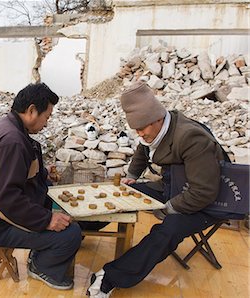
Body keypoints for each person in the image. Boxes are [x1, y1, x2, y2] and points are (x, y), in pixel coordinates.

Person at [88, 81, 235, 297]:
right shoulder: (154, 129)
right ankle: (77, 232)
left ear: (157, 118)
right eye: (136, 130)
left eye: (142, 128)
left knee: (169, 229)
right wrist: (131, 178)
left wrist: (169, 207)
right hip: (174, 187)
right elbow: (143, 149)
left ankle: (110, 277)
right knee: (123, 193)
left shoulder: (190, 137)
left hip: (207, 202)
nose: (140, 134)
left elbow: (204, 191)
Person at [0, 83, 81, 290]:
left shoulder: (9, 127)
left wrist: (44, 174)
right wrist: (47, 220)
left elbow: (16, 175)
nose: (47, 123)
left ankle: (41, 251)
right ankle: (41, 267)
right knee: (71, 234)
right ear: (31, 110)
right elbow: (7, 199)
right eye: (47, 117)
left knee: (59, 203)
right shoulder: (12, 141)